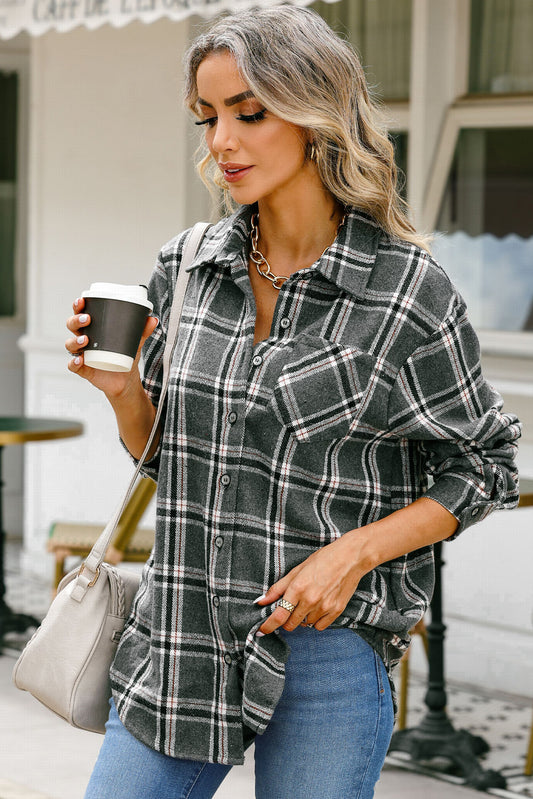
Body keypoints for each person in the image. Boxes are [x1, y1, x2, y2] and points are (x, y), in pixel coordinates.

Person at [65, 7, 521, 799]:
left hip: (323, 650)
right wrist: (122, 390)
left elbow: (483, 466)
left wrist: (354, 553)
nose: (221, 142)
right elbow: (165, 457)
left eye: (249, 112)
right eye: (208, 118)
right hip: (181, 635)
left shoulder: (406, 292)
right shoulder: (186, 265)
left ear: (317, 114)